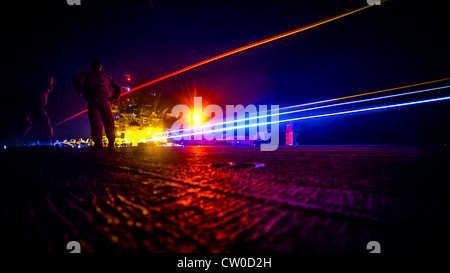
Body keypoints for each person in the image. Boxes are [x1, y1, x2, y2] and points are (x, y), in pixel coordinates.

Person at [72, 58, 121, 150]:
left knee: (96, 123)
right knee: (109, 122)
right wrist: (113, 98)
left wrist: (81, 91)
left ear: (92, 65)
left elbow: (75, 78)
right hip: (105, 101)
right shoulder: (107, 77)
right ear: (100, 66)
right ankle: (111, 144)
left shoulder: (87, 74)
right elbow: (118, 88)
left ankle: (98, 145)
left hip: (93, 99)